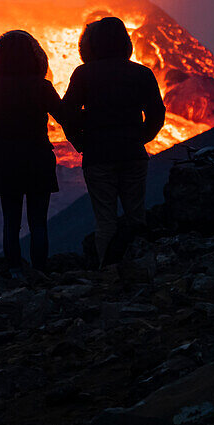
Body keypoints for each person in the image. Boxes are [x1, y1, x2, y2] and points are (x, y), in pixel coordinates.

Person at [61, 16, 165, 268]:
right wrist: (142, 138)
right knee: (136, 216)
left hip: (98, 156)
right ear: (125, 42)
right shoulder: (141, 73)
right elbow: (157, 113)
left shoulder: (84, 74)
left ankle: (106, 274)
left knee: (105, 221)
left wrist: (80, 141)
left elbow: (67, 113)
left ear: (92, 44)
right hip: (132, 154)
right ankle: (141, 269)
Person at [0, 30, 63, 277]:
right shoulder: (42, 86)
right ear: (35, 56)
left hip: (6, 163)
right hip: (38, 159)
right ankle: (40, 270)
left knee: (11, 222)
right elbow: (65, 116)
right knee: (38, 221)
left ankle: (14, 269)